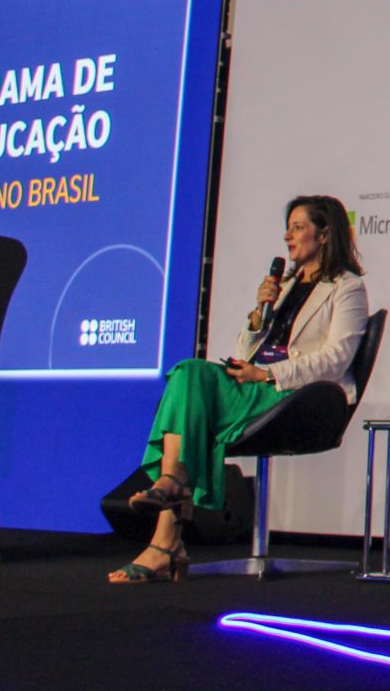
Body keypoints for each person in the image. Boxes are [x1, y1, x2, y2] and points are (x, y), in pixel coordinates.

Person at [109, 194, 369, 583]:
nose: (288, 236)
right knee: (188, 375)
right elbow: (245, 352)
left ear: (325, 234)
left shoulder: (346, 288)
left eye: (298, 227)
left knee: (190, 387)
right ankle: (168, 520)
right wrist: (257, 315)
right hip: (256, 385)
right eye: (289, 227)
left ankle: (166, 533)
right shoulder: (288, 284)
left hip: (298, 395)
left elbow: (337, 358)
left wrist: (267, 375)